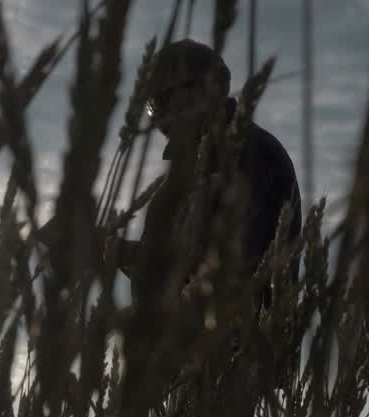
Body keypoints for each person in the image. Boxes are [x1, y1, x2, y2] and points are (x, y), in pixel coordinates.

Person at [116, 38, 302, 312]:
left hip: (241, 349)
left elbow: (228, 266)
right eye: (150, 109)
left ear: (206, 89)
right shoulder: (176, 184)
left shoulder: (253, 154)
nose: (156, 121)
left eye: (160, 101)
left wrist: (116, 249)